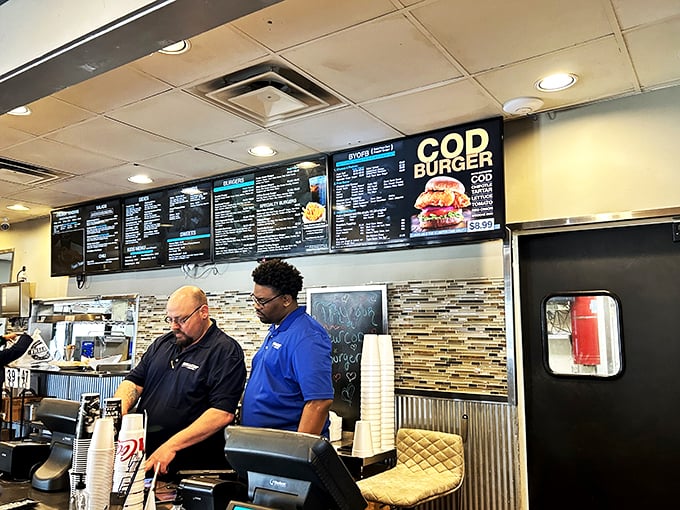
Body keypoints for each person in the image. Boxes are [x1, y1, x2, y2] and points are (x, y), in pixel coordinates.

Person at [114, 286, 246, 477]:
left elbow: (222, 413)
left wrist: (171, 446)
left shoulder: (225, 352)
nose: (174, 326)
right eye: (170, 319)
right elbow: (134, 382)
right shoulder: (162, 344)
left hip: (190, 469)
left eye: (182, 320)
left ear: (203, 312)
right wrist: (119, 411)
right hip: (147, 460)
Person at [241, 259, 334, 437]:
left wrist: (297, 454)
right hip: (262, 444)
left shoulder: (307, 337)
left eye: (262, 301)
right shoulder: (278, 329)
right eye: (254, 298)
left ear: (286, 300)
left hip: (284, 449)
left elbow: (319, 402)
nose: (256, 306)